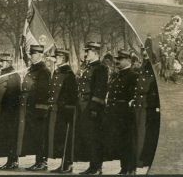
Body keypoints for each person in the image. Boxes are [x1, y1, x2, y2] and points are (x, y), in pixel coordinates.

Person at [16, 44, 52, 171]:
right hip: (30, 107)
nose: (31, 57)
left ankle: (42, 161)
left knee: (40, 134)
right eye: (31, 54)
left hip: (38, 108)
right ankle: (38, 161)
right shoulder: (33, 69)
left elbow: (44, 91)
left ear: (40, 55)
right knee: (35, 134)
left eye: (33, 54)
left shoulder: (43, 71)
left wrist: (41, 109)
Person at [75, 42, 109, 175]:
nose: (85, 54)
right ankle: (92, 165)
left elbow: (100, 90)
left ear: (95, 52)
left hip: (92, 106)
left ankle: (97, 167)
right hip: (84, 105)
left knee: (95, 137)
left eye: (87, 52)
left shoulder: (100, 68)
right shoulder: (88, 68)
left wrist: (94, 108)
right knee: (89, 137)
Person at [104, 50, 138, 175]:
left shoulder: (133, 76)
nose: (117, 61)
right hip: (115, 112)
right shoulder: (116, 75)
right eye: (117, 58)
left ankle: (130, 168)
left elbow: (135, 95)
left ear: (128, 61)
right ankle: (124, 168)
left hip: (126, 113)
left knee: (128, 141)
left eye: (121, 59)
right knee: (121, 141)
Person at [46, 49, 78, 174]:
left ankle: (67, 164)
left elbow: (71, 93)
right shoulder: (58, 72)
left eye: (58, 57)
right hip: (56, 109)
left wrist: (68, 109)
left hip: (64, 110)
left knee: (65, 137)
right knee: (59, 137)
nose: (56, 58)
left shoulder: (68, 74)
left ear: (63, 58)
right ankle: (63, 164)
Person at [0, 53, 21, 170]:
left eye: (2, 61)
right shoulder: (3, 74)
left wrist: (9, 110)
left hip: (8, 112)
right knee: (4, 136)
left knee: (10, 136)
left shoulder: (13, 76)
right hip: (1, 111)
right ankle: (9, 160)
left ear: (9, 62)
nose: (0, 63)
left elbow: (14, 95)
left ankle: (13, 161)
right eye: (0, 61)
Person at [132, 57, 160, 171]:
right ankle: (140, 159)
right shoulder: (143, 73)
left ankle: (142, 160)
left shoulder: (149, 75)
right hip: (144, 106)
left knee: (143, 133)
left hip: (147, 106)